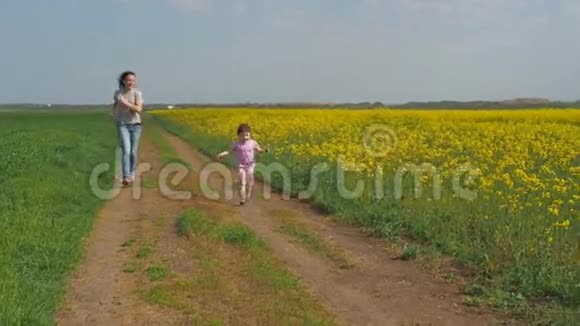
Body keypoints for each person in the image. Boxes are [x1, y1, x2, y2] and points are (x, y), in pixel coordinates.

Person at [217, 124, 267, 205]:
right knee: (242, 182)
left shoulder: (253, 143)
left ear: (250, 134)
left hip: (251, 164)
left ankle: (249, 193)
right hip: (241, 165)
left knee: (250, 177)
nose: (245, 137)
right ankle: (242, 199)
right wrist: (221, 154)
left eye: (247, 135)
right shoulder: (236, 144)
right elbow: (229, 151)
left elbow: (258, 149)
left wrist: (262, 150)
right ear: (238, 135)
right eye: (242, 135)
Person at [111, 71, 143, 186]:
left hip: (136, 125)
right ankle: (125, 177)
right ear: (123, 81)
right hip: (122, 124)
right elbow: (114, 105)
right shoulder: (117, 93)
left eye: (133, 80)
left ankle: (132, 173)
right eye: (129, 80)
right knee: (126, 150)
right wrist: (113, 115)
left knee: (133, 152)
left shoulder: (137, 93)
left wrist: (127, 104)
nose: (131, 82)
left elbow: (139, 109)